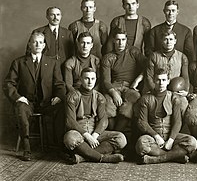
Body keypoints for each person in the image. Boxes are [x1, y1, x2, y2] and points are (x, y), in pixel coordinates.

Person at [3, 32, 66, 161]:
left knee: (63, 107)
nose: (37, 45)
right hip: (28, 102)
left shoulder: (52, 63)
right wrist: (18, 97)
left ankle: (61, 147)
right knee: (20, 108)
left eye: (40, 42)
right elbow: (8, 83)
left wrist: (59, 96)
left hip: (47, 102)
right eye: (34, 42)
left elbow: (59, 84)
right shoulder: (19, 62)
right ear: (30, 44)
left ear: (44, 46)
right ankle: (27, 148)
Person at [64, 67, 127, 164]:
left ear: (96, 80)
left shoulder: (99, 97)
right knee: (70, 138)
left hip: (94, 133)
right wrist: (87, 137)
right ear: (81, 79)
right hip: (79, 134)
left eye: (93, 79)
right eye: (86, 78)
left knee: (121, 139)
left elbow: (103, 120)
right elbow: (70, 121)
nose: (90, 82)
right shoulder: (72, 96)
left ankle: (82, 157)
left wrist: (95, 135)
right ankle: (102, 157)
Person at [135, 68, 197, 164]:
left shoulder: (174, 98)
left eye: (164, 80)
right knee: (141, 144)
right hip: (154, 138)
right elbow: (142, 122)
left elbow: (177, 122)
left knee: (192, 142)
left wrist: (171, 140)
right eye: (158, 80)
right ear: (153, 80)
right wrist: (156, 136)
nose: (161, 83)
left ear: (168, 81)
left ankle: (158, 159)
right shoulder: (146, 98)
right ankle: (175, 157)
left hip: (170, 136)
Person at [100, 29, 146, 134]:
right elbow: (106, 80)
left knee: (133, 100)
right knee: (107, 103)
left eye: (123, 40)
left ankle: (117, 133)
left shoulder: (133, 52)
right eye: (118, 40)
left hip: (129, 87)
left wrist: (138, 80)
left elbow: (149, 65)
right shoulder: (108, 57)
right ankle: (112, 132)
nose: (120, 43)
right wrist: (113, 93)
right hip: (114, 86)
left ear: (126, 40)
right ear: (114, 41)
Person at [145, 30, 189, 97]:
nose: (168, 42)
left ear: (175, 41)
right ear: (162, 41)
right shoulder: (153, 56)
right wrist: (155, 90)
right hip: (157, 90)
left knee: (182, 103)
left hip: (175, 91)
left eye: (171, 39)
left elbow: (185, 77)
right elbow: (149, 76)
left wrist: (185, 91)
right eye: (166, 39)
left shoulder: (182, 57)